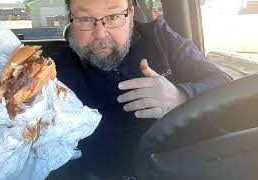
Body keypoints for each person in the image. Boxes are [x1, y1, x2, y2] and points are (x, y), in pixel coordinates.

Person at [46, 0, 231, 179]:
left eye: (113, 16)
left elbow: (224, 83)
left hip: (183, 166)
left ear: (131, 14)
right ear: (71, 19)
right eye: (85, 19)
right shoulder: (50, 72)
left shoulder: (161, 38)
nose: (100, 34)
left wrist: (181, 96)